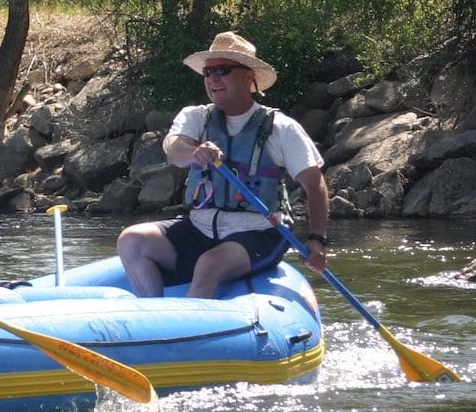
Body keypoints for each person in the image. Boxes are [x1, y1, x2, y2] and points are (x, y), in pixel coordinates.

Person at [117, 31, 330, 299]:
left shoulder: (281, 128)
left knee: (210, 263)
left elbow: (314, 184)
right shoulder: (196, 117)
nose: (213, 79)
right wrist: (195, 152)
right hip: (200, 229)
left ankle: (191, 327)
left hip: (259, 232)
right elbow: (174, 151)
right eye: (208, 72)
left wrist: (317, 239)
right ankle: (153, 315)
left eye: (223, 70)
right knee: (131, 239)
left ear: (249, 75)